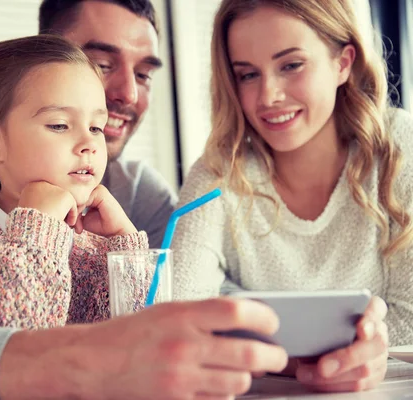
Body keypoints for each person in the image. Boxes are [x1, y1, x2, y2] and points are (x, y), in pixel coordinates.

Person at [0, 1, 290, 399]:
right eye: (101, 65)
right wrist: (38, 228)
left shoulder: (133, 195)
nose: (126, 92)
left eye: (144, 73)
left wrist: (127, 249)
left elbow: (187, 309)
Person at [172, 0, 409, 392]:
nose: (268, 95)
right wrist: (297, 360)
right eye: (247, 74)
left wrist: (262, 346)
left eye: (291, 65)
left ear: (343, 63)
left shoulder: (400, 149)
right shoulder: (219, 173)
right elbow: (179, 314)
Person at [0, 35, 149, 329]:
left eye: (96, 127)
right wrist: (38, 227)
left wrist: (126, 248)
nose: (89, 143)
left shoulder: (98, 244)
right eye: (59, 125)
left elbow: (144, 341)